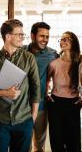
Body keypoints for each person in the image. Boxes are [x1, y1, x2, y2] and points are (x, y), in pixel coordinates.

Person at [0, 19, 41, 152]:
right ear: (7, 36)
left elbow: (36, 88)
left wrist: (33, 117)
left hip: (24, 120)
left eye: (22, 34)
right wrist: (5, 93)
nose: (22, 37)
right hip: (1, 120)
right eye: (19, 34)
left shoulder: (29, 58)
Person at [24, 22, 58, 152]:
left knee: (39, 144)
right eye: (42, 36)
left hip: (41, 105)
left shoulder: (52, 55)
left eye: (47, 36)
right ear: (32, 36)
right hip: (21, 106)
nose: (45, 40)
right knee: (24, 144)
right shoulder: (20, 52)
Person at [47, 31, 82, 152]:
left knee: (73, 140)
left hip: (73, 103)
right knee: (57, 139)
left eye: (67, 39)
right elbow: (46, 81)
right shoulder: (53, 64)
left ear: (74, 42)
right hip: (56, 103)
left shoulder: (81, 62)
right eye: (61, 39)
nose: (63, 42)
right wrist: (47, 94)